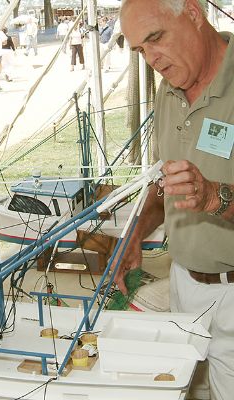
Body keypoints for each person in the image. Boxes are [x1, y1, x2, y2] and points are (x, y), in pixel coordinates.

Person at [116, 1, 234, 399]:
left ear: (194, 14)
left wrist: (215, 197)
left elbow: (203, 192)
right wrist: (135, 234)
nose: (152, 59)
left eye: (155, 38)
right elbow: (164, 181)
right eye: (140, 50)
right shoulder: (169, 89)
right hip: (184, 284)